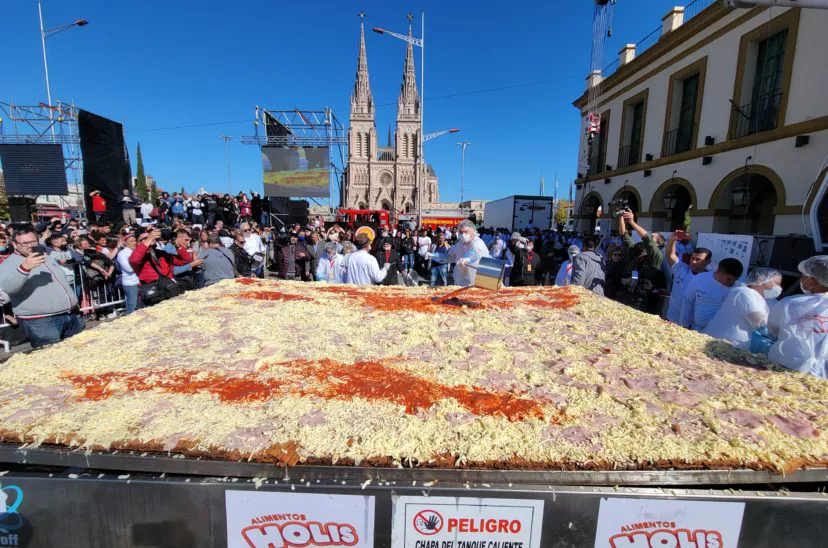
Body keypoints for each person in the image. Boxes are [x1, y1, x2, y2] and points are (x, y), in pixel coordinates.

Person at [0, 226, 83, 347]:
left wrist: (71, 300)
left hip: (70, 315)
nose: (30, 245)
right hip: (41, 322)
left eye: (33, 241)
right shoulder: (9, 263)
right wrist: (24, 268)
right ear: (14, 244)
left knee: (81, 355)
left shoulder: (46, 256)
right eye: (25, 243)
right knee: (51, 360)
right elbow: (9, 288)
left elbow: (61, 281)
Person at [766, 256, 827, 379]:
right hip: (824, 379)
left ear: (812, 282)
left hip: (785, 371)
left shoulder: (790, 304)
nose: (801, 278)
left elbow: (773, 331)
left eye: (803, 275)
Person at [704, 268, 781, 351]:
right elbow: (759, 321)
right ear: (761, 280)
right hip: (724, 345)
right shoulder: (745, 293)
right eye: (776, 284)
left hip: (730, 346)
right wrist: (780, 335)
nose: (778, 288)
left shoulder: (761, 298)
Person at [679, 258, 743, 332]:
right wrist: (683, 325)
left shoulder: (739, 288)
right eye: (728, 279)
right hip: (697, 330)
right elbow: (687, 302)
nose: (732, 282)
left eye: (735, 280)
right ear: (718, 272)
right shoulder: (701, 278)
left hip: (720, 334)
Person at [664, 231, 712, 324]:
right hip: (670, 319)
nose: (693, 262)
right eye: (692, 258)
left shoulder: (710, 280)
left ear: (708, 262)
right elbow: (670, 255)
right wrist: (672, 239)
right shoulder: (681, 269)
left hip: (691, 325)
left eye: (698, 260)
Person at [447, 220, 491, 288]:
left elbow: (475, 253)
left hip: (476, 280)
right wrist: (434, 255)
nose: (463, 235)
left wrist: (468, 258)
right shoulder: (460, 243)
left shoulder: (478, 242)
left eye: (466, 232)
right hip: (461, 281)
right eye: (461, 232)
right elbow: (452, 256)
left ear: (473, 231)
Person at [116, 234, 141, 314]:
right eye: (131, 241)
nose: (134, 243)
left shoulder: (138, 251)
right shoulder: (122, 253)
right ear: (125, 243)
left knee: (141, 305)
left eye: (135, 241)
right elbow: (129, 269)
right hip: (131, 282)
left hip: (140, 280)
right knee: (133, 305)